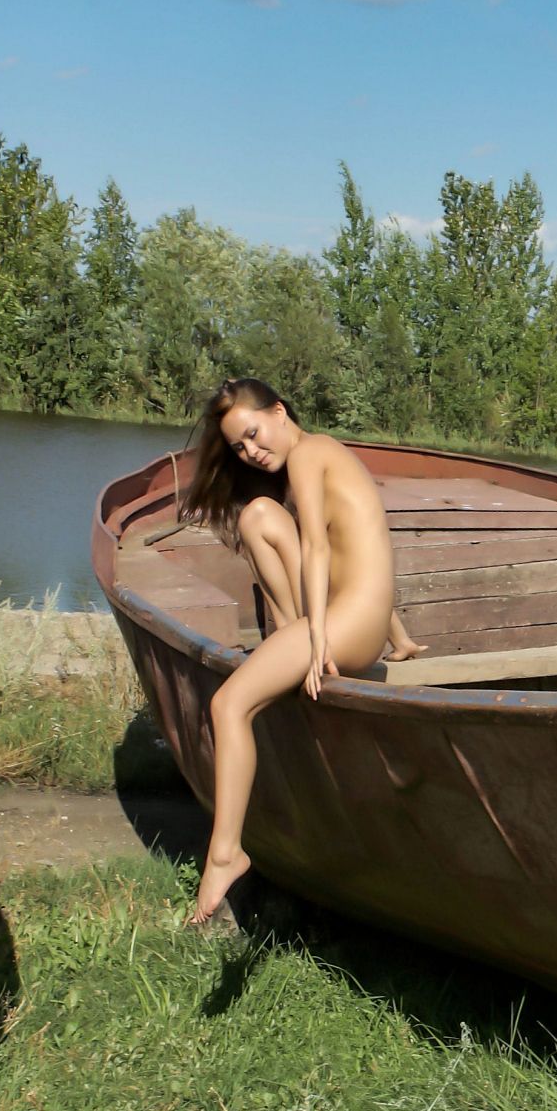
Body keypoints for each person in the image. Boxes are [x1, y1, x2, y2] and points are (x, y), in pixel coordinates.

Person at [179, 378, 421, 925]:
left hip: (344, 627)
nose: (252, 452)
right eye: (240, 448)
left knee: (228, 705)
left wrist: (315, 643)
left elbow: (315, 546)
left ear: (279, 411)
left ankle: (226, 853)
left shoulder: (310, 453)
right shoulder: (322, 454)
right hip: (356, 620)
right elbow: (355, 555)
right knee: (258, 515)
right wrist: (398, 637)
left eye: (254, 434)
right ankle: (288, 645)